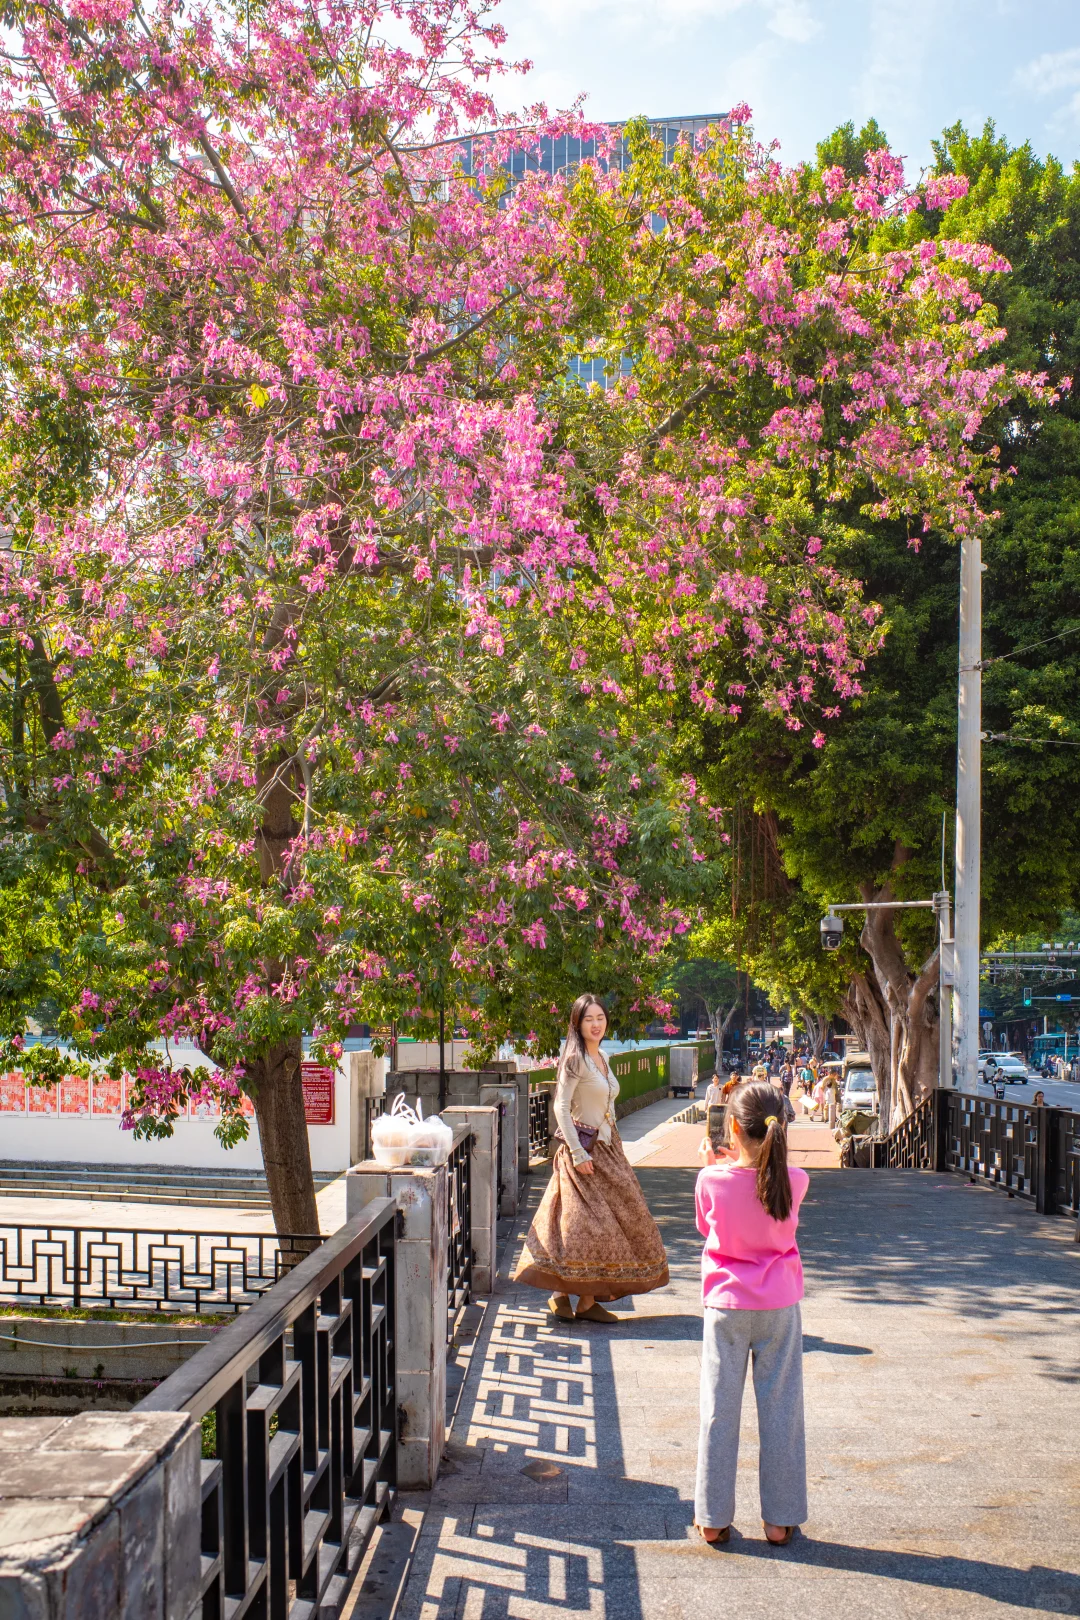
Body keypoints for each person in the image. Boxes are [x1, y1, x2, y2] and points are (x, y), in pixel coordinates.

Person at [693, 1081, 809, 1547]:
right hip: (779, 1304)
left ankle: (712, 1516)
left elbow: (707, 1226)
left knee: (718, 1410)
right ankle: (779, 1520)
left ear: (733, 1129)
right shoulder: (796, 1180)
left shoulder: (711, 1180)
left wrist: (711, 1166)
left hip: (726, 1305)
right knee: (782, 1410)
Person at [514, 994, 669, 1322]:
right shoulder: (574, 1059)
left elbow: (608, 1102)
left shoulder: (603, 1057)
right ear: (577, 1023)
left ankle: (585, 1301)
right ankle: (561, 1293)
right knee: (582, 1227)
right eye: (588, 1019)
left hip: (609, 1149)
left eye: (600, 1017)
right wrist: (578, 1151)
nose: (596, 1024)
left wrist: (612, 1140)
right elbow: (560, 1106)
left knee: (625, 1221)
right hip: (583, 1152)